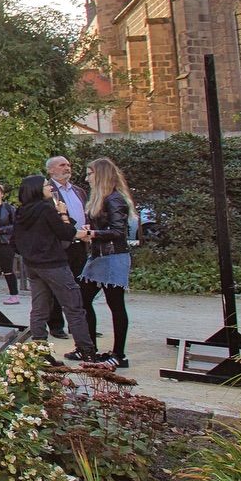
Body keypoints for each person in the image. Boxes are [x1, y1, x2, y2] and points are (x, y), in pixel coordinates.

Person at [10, 174, 105, 364]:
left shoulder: (22, 211)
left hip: (33, 266)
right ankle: (87, 350)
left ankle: (40, 353)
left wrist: (30, 253)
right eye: (47, 185)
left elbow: (14, 242)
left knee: (39, 309)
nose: (51, 188)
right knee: (74, 307)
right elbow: (66, 233)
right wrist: (62, 213)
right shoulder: (46, 209)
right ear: (37, 189)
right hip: (54, 264)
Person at [78, 157, 136, 367]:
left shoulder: (114, 199)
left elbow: (118, 231)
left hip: (113, 257)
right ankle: (90, 349)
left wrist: (92, 233)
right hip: (99, 257)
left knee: (115, 304)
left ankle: (119, 355)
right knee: (83, 300)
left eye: (90, 174)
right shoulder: (103, 198)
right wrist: (91, 231)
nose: (87, 178)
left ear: (100, 175)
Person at [43, 155, 90, 339]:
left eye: (68, 165)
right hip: (59, 246)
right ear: (51, 170)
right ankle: (56, 325)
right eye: (62, 165)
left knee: (80, 286)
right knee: (57, 287)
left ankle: (79, 325)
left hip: (80, 245)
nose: (67, 168)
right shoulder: (47, 192)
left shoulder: (79, 191)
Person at [0, 181, 20, 304]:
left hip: (5, 242)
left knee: (7, 269)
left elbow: (16, 226)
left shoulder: (9, 208)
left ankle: (14, 295)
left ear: (2, 194)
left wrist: (0, 230)